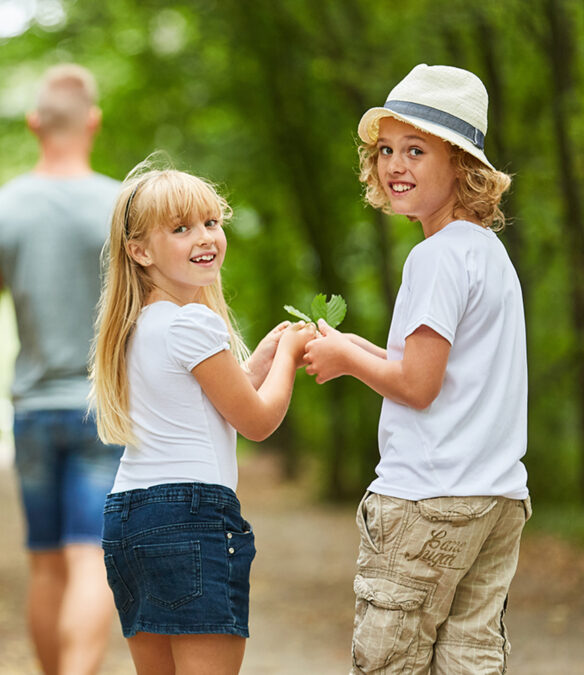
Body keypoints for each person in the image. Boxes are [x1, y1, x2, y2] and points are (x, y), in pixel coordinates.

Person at [304, 64, 530, 674]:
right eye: (385, 150)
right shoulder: (487, 253)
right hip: (496, 498)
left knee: (392, 660)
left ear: (461, 164)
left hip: (430, 498)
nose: (394, 165)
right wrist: (358, 347)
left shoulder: (434, 257)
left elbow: (418, 387)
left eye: (416, 150)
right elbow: (444, 374)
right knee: (469, 659)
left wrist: (347, 361)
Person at [90, 163, 314, 675]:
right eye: (181, 228)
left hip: (129, 517)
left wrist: (263, 359)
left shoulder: (138, 325)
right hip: (189, 516)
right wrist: (290, 356)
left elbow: (209, 401)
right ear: (140, 251)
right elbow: (257, 421)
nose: (205, 237)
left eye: (212, 222)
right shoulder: (192, 322)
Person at [0, 63, 123, 675]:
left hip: (33, 414)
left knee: (46, 565)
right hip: (105, 411)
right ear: (93, 122)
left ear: (34, 124)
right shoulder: (123, 207)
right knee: (90, 559)